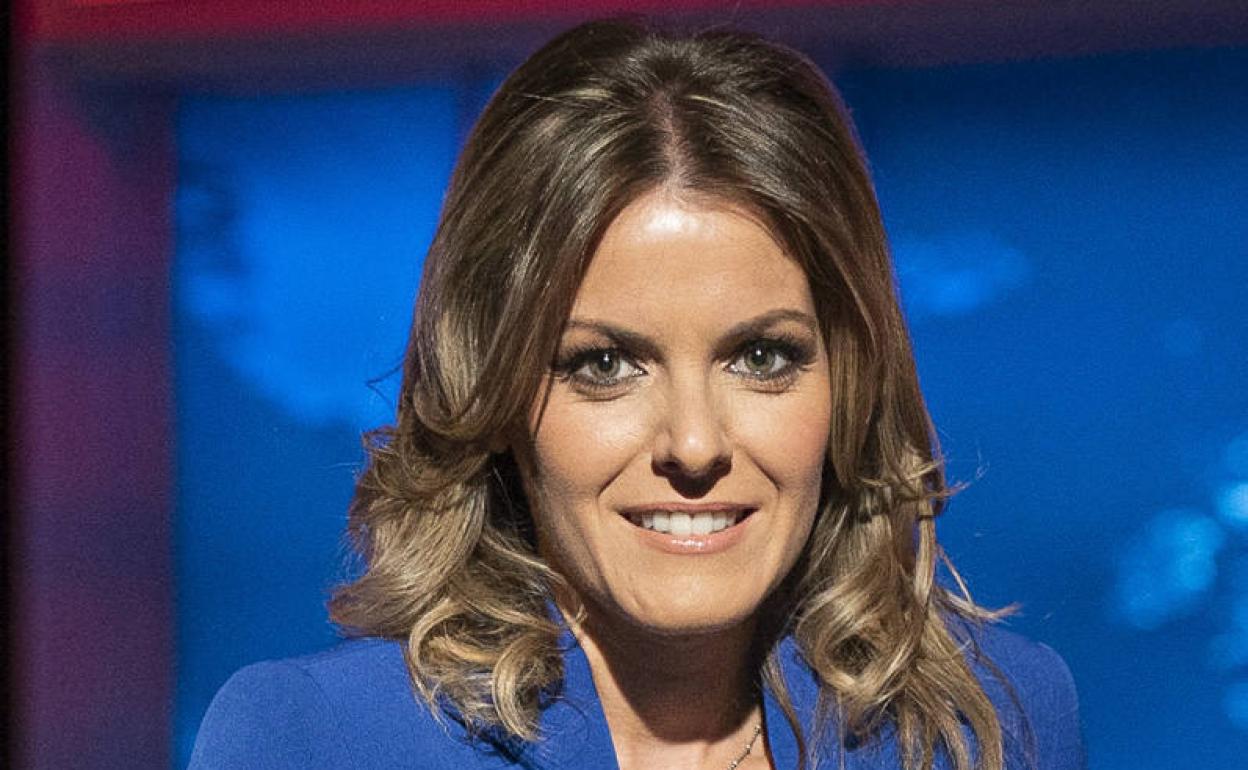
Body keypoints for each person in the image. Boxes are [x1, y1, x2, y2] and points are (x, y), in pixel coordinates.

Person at [189, 18, 1085, 770]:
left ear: (851, 378)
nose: (694, 444)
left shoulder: (993, 722)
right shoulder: (319, 739)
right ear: (491, 390)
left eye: (762, 356)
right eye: (605, 365)